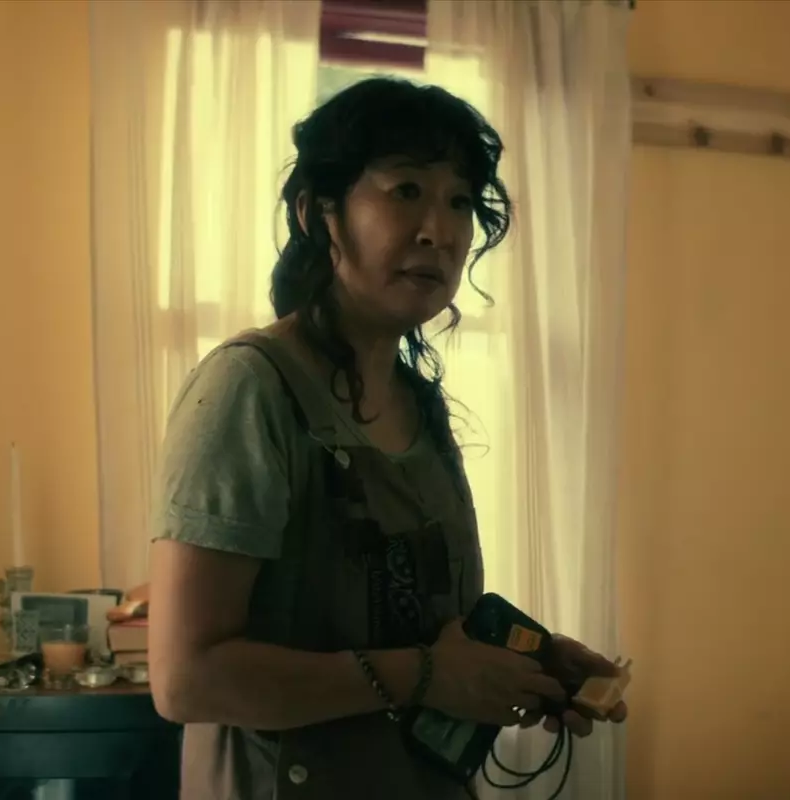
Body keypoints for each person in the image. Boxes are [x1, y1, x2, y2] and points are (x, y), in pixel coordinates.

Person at [146, 76, 626, 799]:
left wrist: (527, 663)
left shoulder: (419, 405)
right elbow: (187, 680)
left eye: (460, 201)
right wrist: (428, 676)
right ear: (320, 213)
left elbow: (424, 629)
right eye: (405, 190)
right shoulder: (251, 389)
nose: (439, 230)